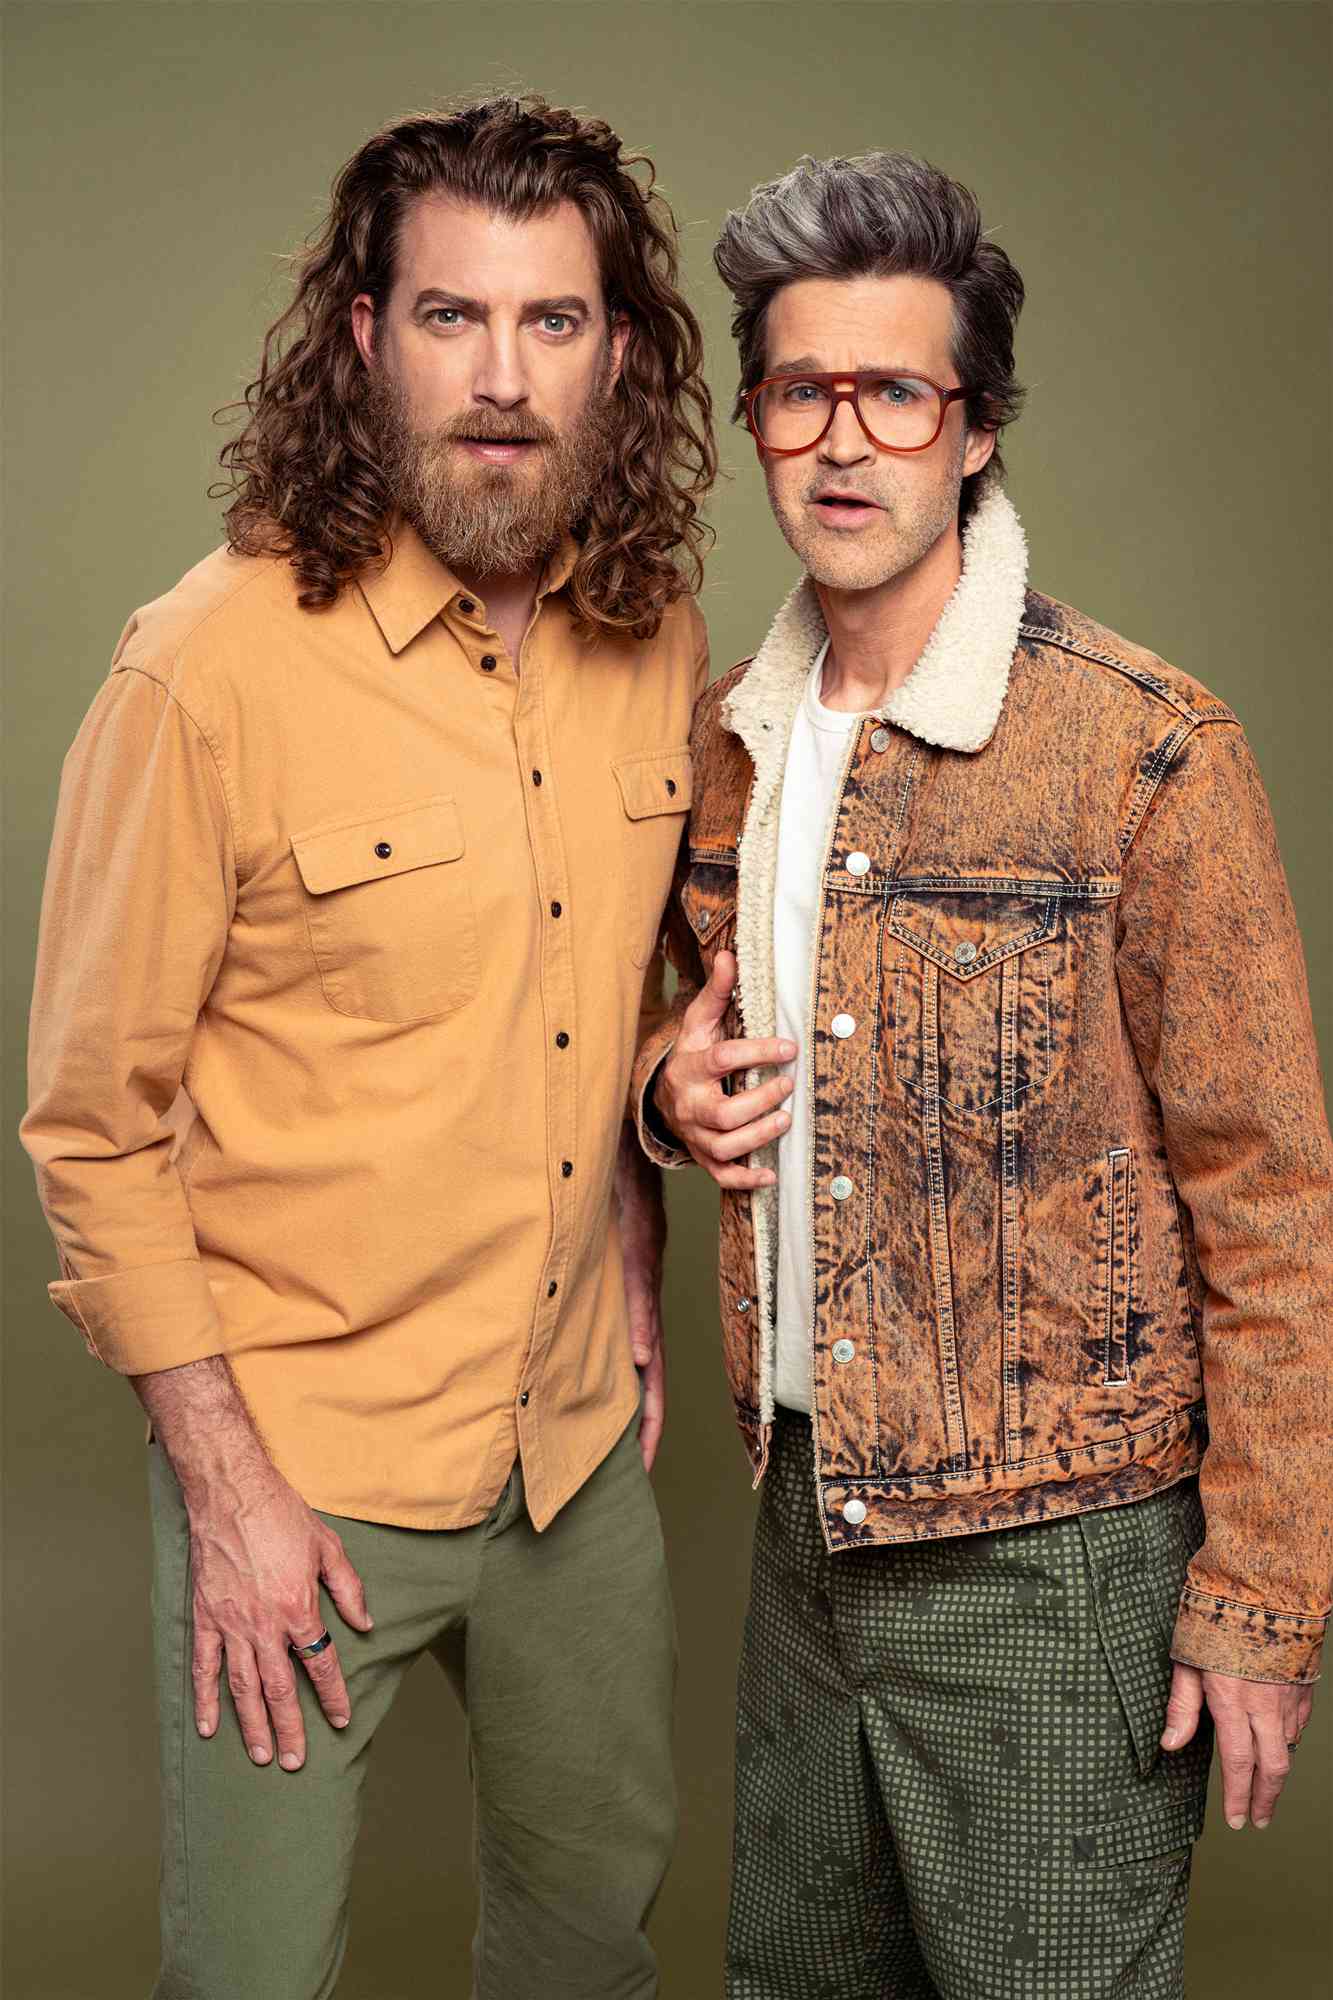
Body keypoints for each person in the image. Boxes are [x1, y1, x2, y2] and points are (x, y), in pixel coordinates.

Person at [21, 95, 714, 2000]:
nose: (501, 379)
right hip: (298, 1467)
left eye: (552, 321)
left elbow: (611, 987)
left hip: (573, 1458)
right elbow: (91, 1125)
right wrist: (225, 1489)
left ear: (619, 354)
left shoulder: (652, 632)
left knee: (590, 1946)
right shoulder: (206, 667)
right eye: (449, 317)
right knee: (251, 1976)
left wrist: (636, 1206)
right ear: (362, 336)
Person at [632, 149, 1332, 1997]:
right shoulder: (725, 745)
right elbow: (661, 1029)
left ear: (975, 428)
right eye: (799, 390)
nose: (841, 440)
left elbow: (1269, 1194)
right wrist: (662, 1094)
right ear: (753, 419)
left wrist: (1259, 1599)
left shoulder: (1143, 750)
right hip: (806, 1524)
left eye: (895, 391)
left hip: (1060, 1555)